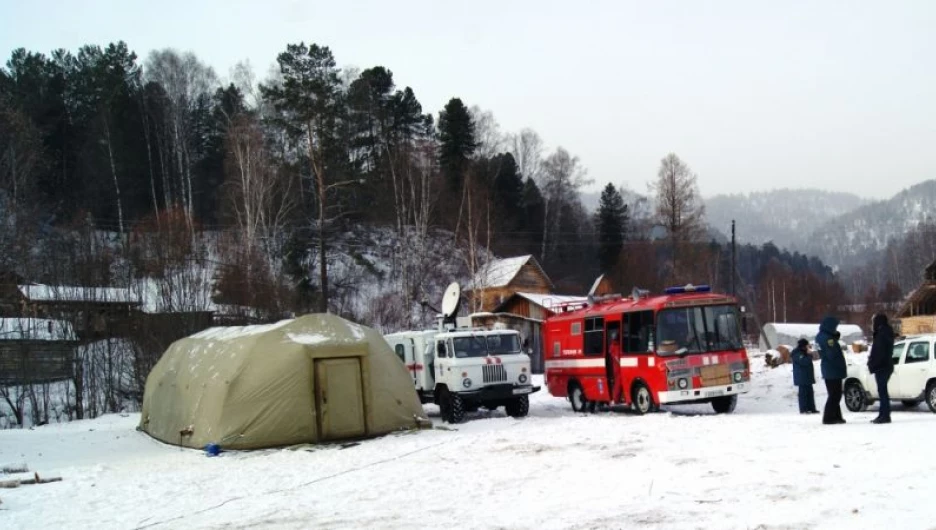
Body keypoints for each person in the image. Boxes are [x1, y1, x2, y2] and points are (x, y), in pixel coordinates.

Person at [816, 316, 847, 425]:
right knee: (835, 395)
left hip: (828, 369)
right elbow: (832, 354)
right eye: (835, 326)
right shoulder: (828, 339)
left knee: (834, 394)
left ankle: (837, 416)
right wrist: (841, 367)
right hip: (833, 369)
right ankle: (828, 417)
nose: (835, 328)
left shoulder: (820, 336)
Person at [867, 313, 895, 424]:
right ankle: (883, 414)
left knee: (882, 392)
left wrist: (872, 364)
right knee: (882, 391)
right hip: (885, 365)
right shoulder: (885, 332)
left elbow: (879, 352)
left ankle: (884, 415)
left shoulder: (882, 334)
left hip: (882, 366)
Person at [791, 338, 818, 414]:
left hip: (807, 376)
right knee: (803, 394)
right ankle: (803, 409)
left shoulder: (803, 352)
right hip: (801, 376)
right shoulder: (797, 353)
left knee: (810, 393)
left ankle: (812, 408)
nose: (807, 347)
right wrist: (809, 355)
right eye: (806, 345)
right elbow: (804, 362)